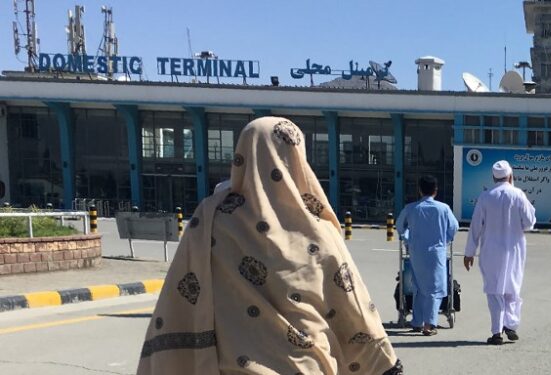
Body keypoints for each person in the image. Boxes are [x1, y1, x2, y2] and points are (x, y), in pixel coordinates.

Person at [137, 117, 402, 375]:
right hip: (306, 365)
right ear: (297, 158)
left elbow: (180, 296)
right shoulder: (317, 229)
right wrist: (384, 365)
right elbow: (351, 304)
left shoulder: (210, 220)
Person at [464, 160, 536, 345]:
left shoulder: (485, 197)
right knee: (512, 287)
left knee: (494, 290)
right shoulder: (518, 195)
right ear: (511, 176)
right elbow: (529, 223)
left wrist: (469, 252)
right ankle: (511, 325)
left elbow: (475, 226)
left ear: (493, 177)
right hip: (514, 250)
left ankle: (496, 332)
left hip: (491, 251)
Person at [395, 175, 459, 336]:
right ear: (435, 191)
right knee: (434, 288)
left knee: (419, 287)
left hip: (416, 253)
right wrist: (446, 239)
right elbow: (454, 227)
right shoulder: (443, 208)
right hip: (436, 253)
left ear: (420, 190)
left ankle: (417, 321)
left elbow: (399, 226)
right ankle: (429, 324)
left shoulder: (411, 208)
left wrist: (407, 238)